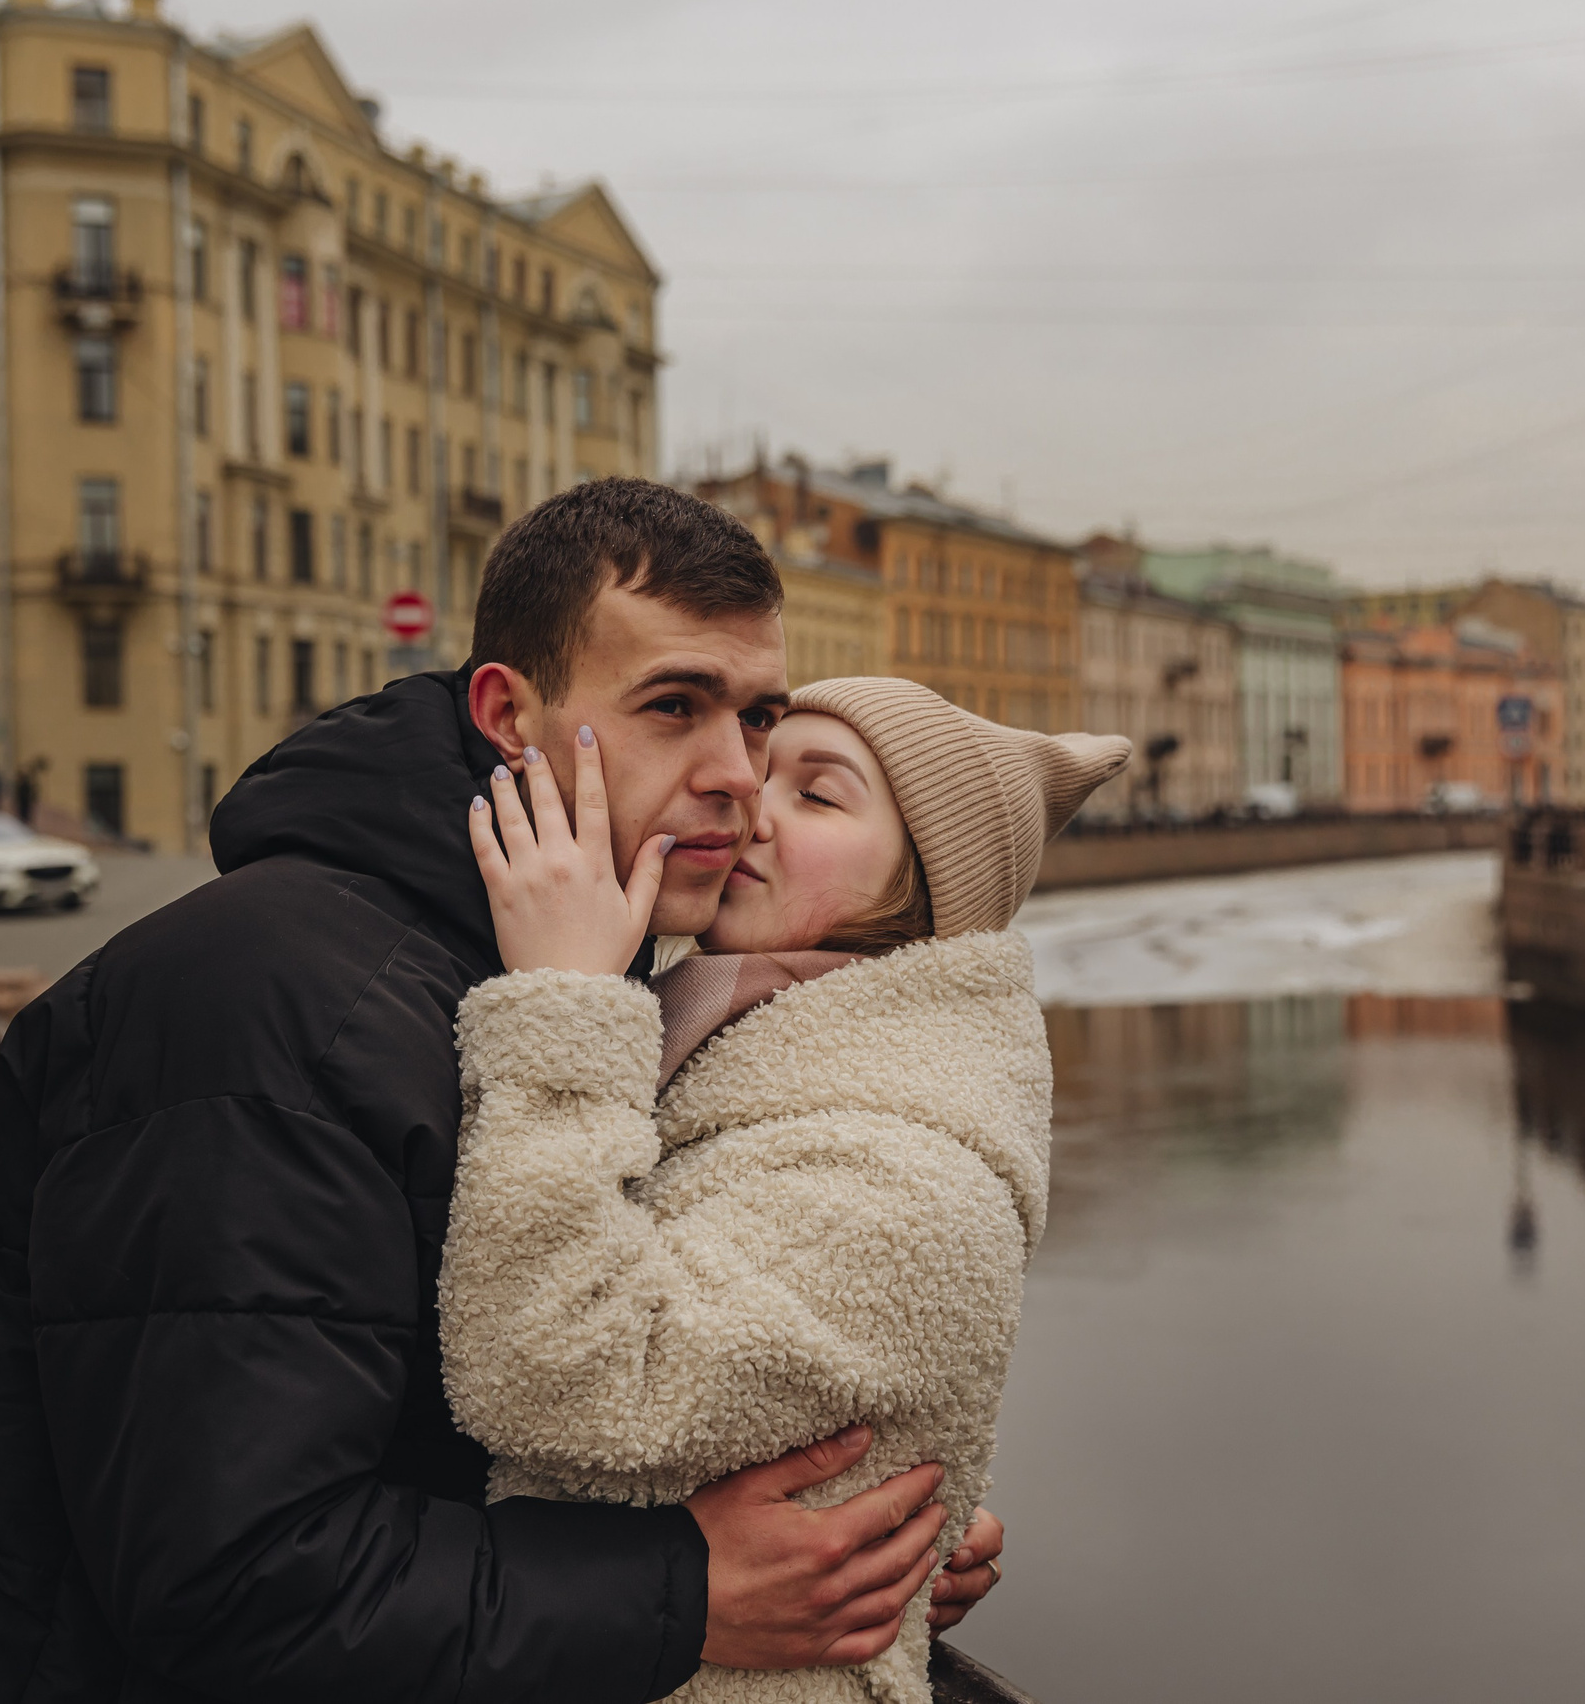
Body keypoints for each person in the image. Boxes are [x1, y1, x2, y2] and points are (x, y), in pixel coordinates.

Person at [0, 482, 1002, 1702]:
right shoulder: (265, 1007)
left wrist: (848, 1549)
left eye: (757, 718)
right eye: (674, 707)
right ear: (507, 716)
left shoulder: (561, 975)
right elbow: (238, 1589)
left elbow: (468, 1424)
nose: (736, 773)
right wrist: (688, 1589)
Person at [444, 677, 1128, 1702]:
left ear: (924, 892)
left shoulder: (907, 1168)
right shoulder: (722, 1037)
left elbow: (560, 1370)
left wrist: (565, 1011)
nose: (749, 805)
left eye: (818, 795)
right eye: (766, 769)